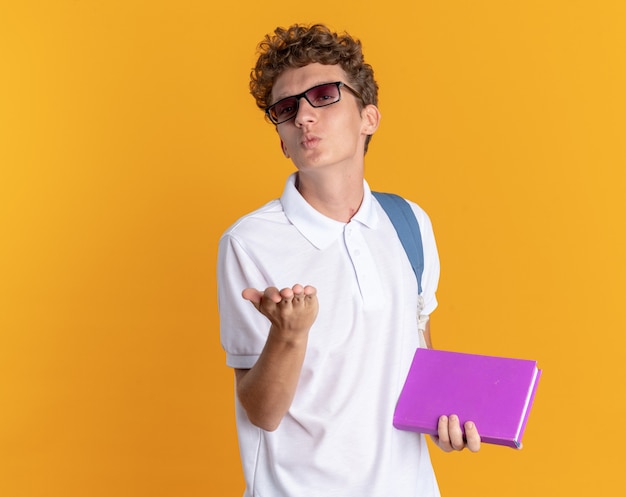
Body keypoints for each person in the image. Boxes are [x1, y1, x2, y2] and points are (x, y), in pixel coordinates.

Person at [217, 23, 480, 497]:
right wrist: (288, 335)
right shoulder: (249, 242)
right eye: (286, 108)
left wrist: (448, 420)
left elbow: (418, 352)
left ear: (369, 118)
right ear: (281, 139)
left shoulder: (409, 221)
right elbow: (261, 411)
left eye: (322, 95)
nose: (303, 117)